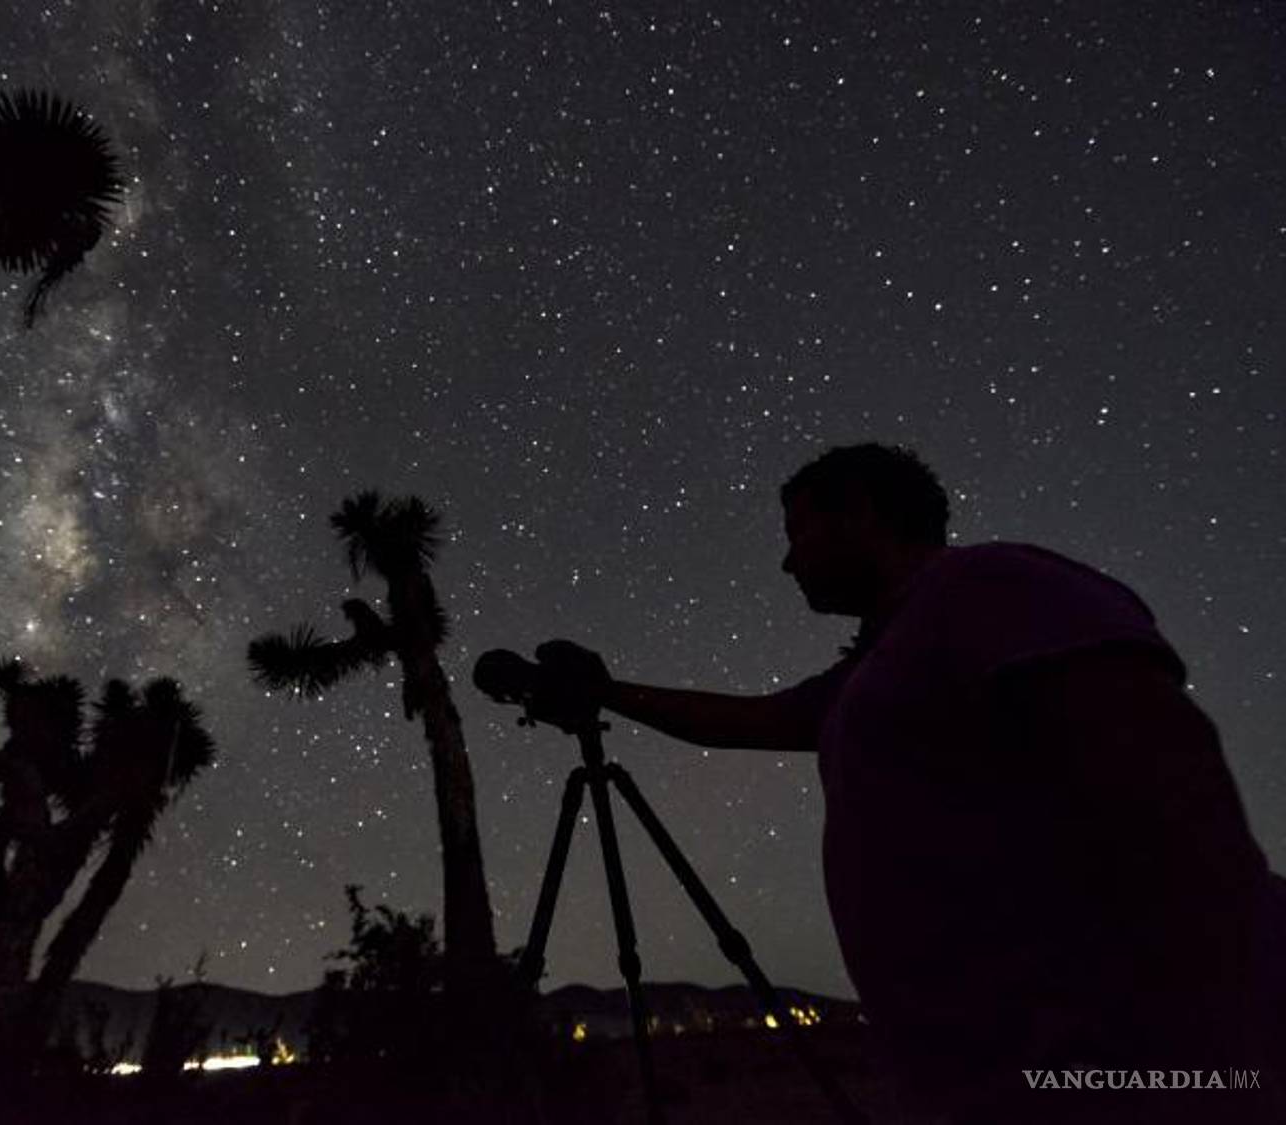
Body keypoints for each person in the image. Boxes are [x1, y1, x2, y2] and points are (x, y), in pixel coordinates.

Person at [534, 443, 1282, 1123]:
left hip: (1112, 1057)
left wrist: (1216, 1025)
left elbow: (1168, 776)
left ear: (858, 512)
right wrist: (607, 692)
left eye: (797, 532)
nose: (787, 563)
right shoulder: (880, 665)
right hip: (995, 1073)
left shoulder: (990, 584)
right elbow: (752, 720)